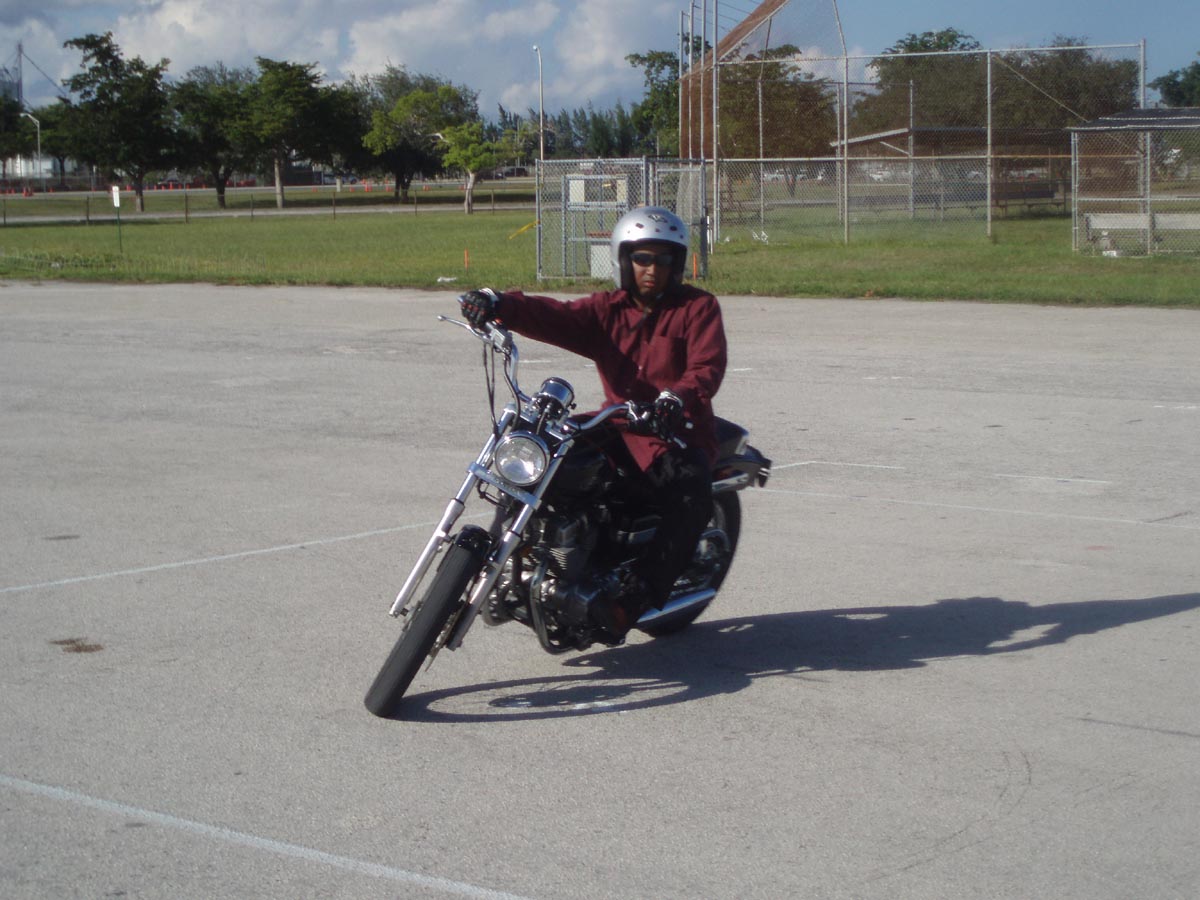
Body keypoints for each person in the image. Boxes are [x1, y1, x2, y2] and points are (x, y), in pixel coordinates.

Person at [458, 205, 727, 640]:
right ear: (624, 260)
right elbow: (553, 316)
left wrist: (676, 399)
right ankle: (522, 553)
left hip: (674, 432)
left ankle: (629, 603)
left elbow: (706, 366)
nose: (652, 269)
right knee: (542, 450)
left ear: (677, 264)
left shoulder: (698, 308)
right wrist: (497, 304)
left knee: (688, 491)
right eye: (642, 258)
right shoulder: (606, 310)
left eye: (663, 259)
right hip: (616, 423)